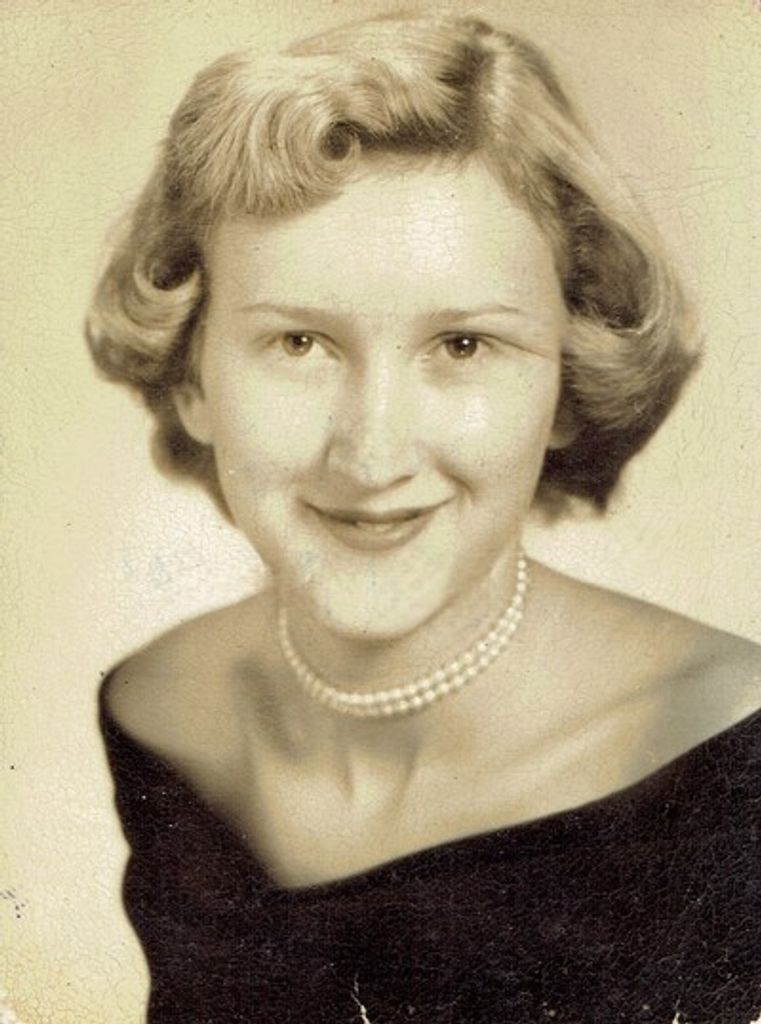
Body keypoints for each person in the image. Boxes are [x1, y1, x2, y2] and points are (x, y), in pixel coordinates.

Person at [86, 11, 761, 1024]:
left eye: (462, 346)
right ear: (191, 376)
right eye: (299, 342)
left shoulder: (729, 762)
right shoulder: (158, 710)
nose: (372, 454)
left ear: (569, 377)